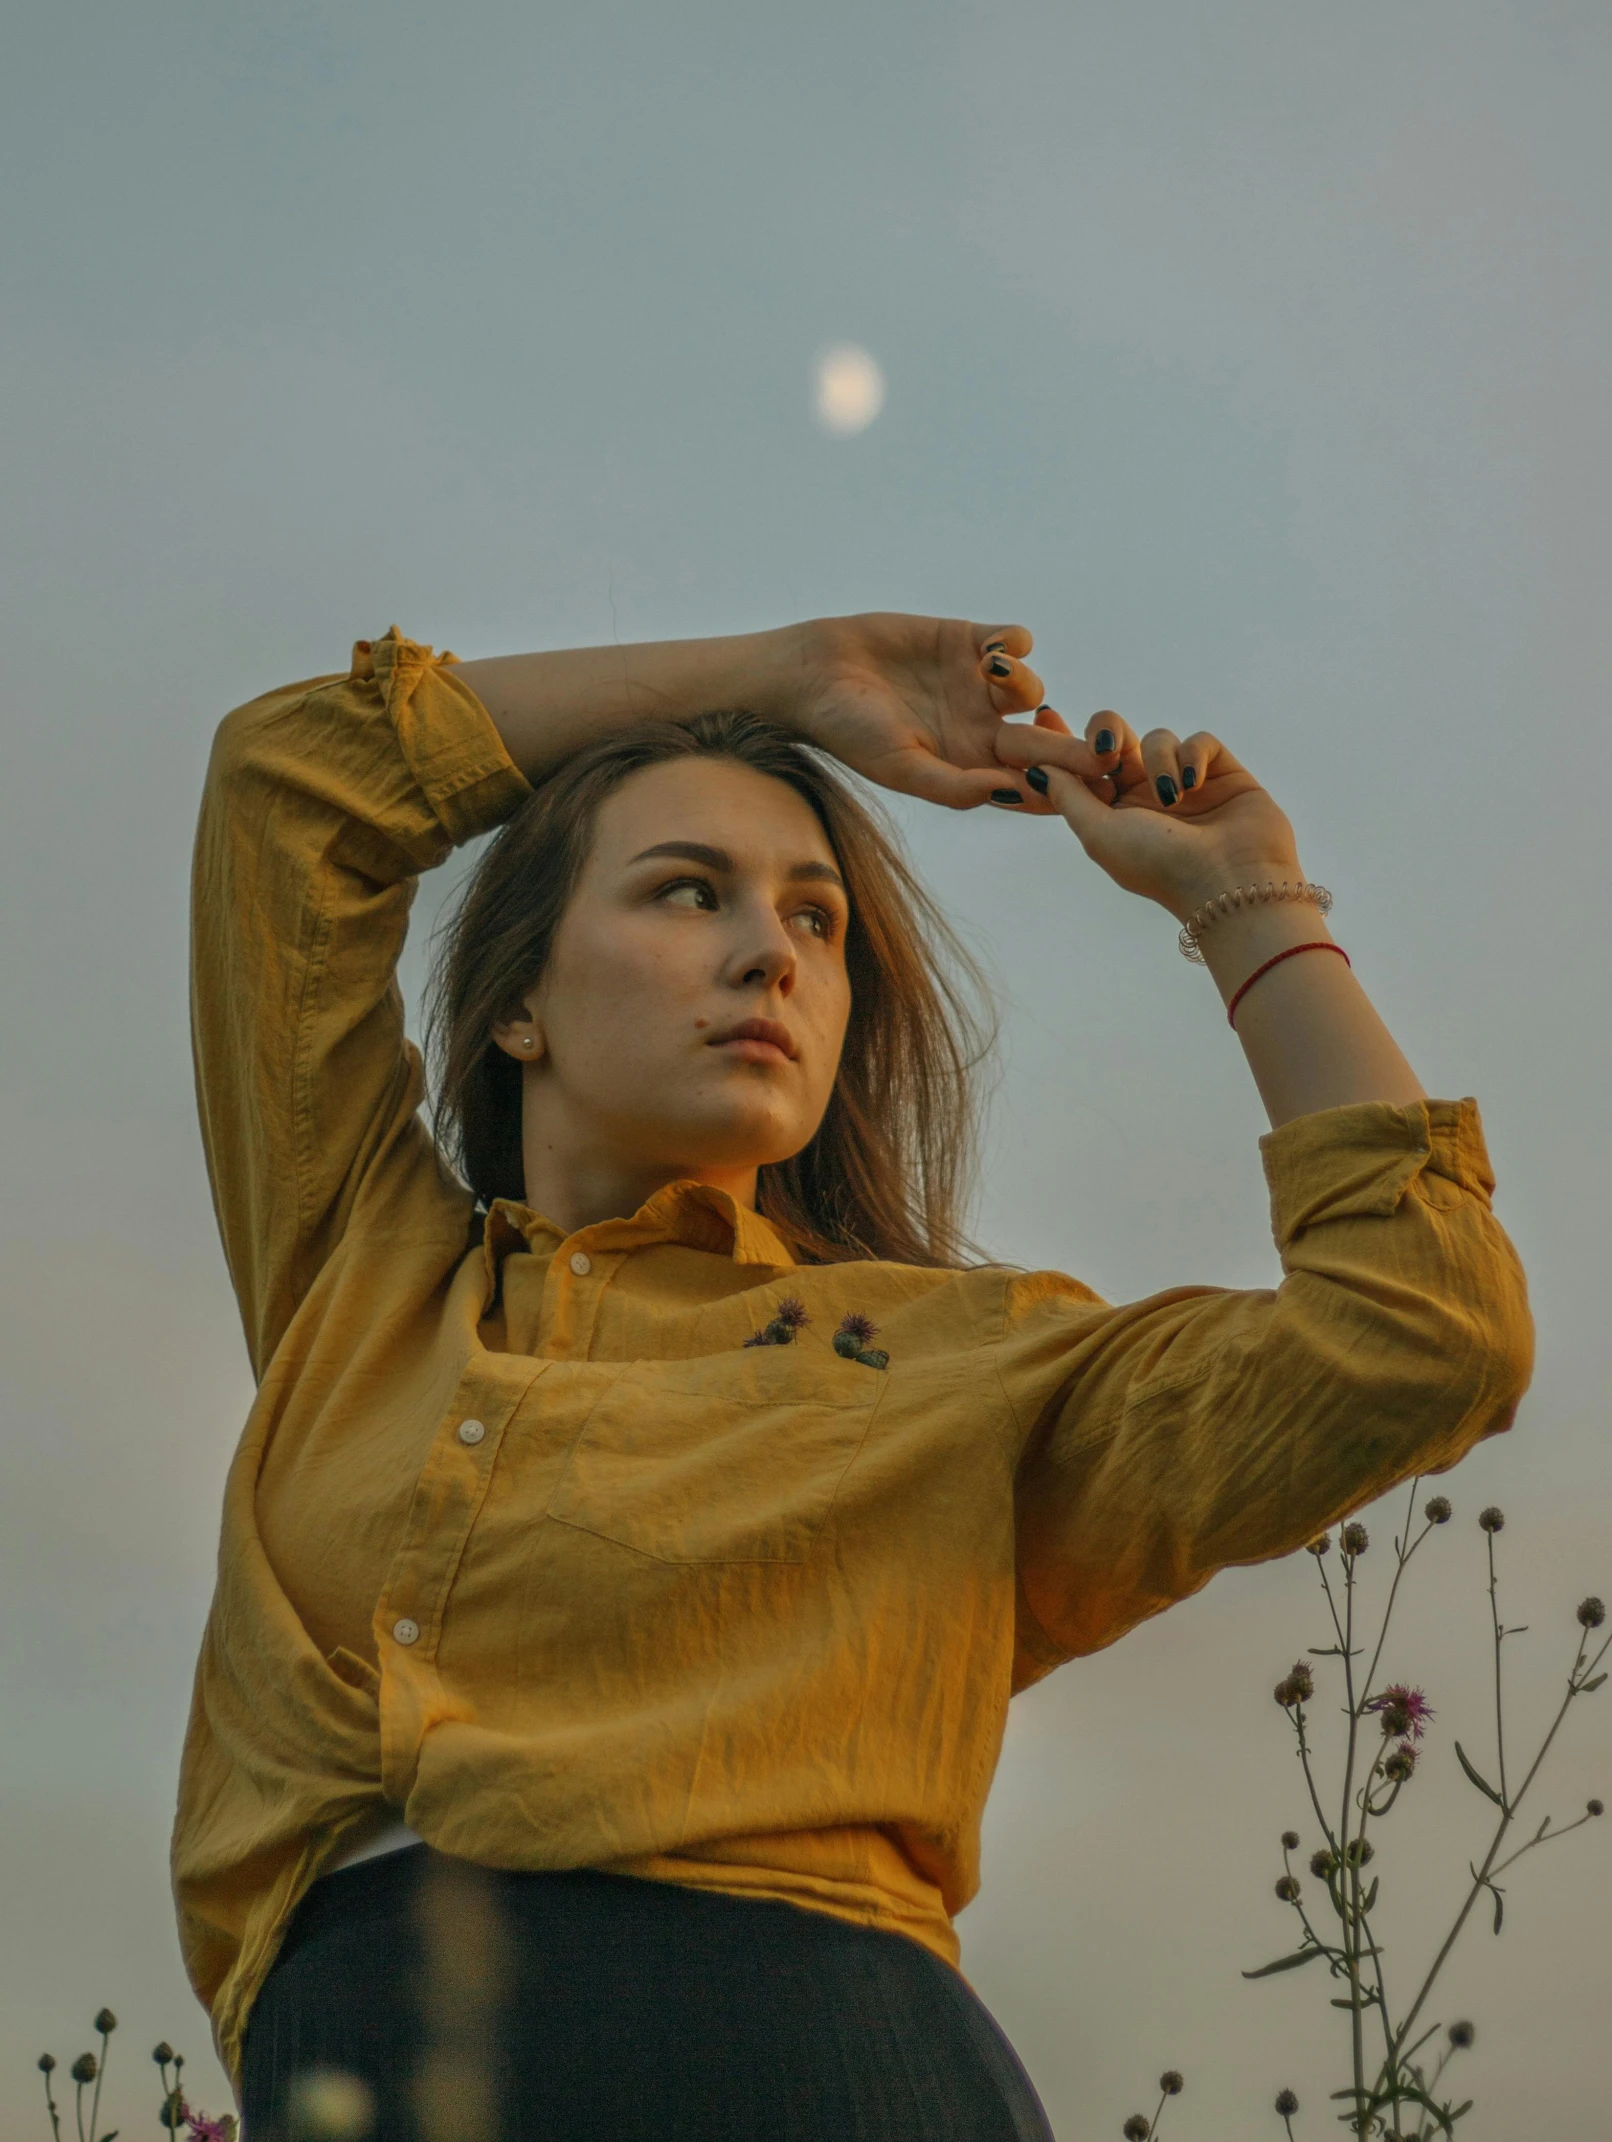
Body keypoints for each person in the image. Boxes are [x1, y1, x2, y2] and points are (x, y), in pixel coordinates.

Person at [177, 614, 1531, 2141]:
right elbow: (290, 786)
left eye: (818, 921)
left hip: (829, 2071)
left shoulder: (963, 1365)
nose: (773, 949)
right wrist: (789, 680)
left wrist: (1246, 903)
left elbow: (1428, 1329)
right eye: (689, 891)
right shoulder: (357, 1272)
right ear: (517, 1005)